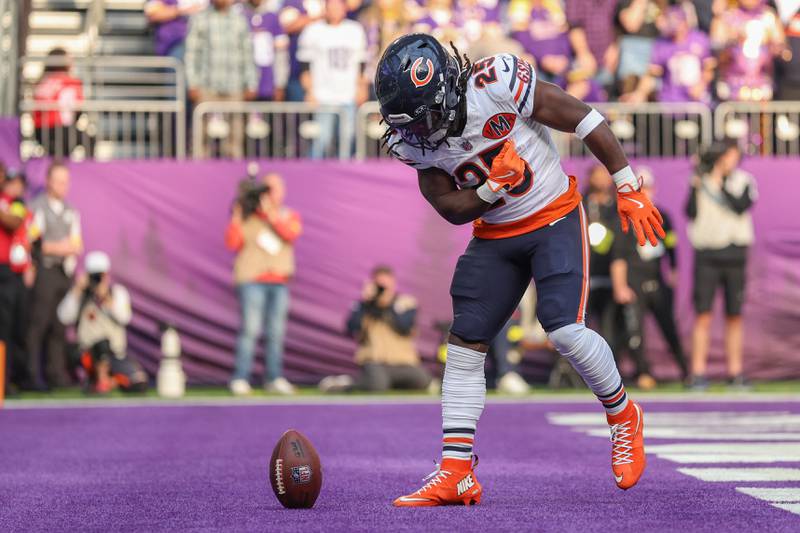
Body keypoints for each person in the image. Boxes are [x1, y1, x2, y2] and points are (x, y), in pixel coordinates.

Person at [376, 33, 665, 506]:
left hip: (554, 215)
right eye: (409, 121)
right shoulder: (415, 145)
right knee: (465, 344)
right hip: (495, 234)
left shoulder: (496, 82)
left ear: (447, 89)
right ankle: (456, 472)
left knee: (565, 330)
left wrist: (626, 182)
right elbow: (449, 206)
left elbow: (582, 116)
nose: (420, 132)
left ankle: (623, 414)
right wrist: (492, 190)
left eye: (426, 116)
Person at [686, 141, 756, 390]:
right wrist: (699, 182)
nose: (729, 161)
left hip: (735, 252)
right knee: (703, 314)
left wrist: (719, 182)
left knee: (734, 315)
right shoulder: (700, 181)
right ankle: (697, 372)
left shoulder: (744, 180)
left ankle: (735, 372)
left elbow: (740, 206)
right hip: (707, 253)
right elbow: (690, 212)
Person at [225, 172, 302, 396]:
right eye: (266, 188)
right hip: (251, 279)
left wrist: (270, 213)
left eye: (275, 189)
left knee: (276, 332)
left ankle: (274, 377)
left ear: (282, 192)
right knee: (250, 329)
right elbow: (232, 243)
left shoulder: (289, 214)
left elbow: (290, 235)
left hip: (279, 281)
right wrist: (237, 216)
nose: (270, 193)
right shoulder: (247, 215)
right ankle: (240, 377)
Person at [610, 168, 688, 387]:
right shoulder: (624, 219)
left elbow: (670, 246)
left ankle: (686, 371)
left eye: (649, 188)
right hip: (634, 282)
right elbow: (619, 257)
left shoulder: (663, 216)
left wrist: (673, 272)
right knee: (635, 331)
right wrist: (620, 286)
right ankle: (642, 372)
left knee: (669, 327)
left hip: (657, 280)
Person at [321, 265, 433, 392]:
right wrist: (366, 304)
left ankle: (373, 381)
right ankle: (345, 385)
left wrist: (387, 304)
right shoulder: (363, 305)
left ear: (393, 283)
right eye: (380, 285)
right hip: (375, 362)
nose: (383, 289)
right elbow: (351, 328)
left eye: (386, 285)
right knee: (377, 385)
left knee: (422, 380)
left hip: (403, 363)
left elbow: (404, 327)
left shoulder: (406, 302)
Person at [57, 251, 146, 394]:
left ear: (107, 274)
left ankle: (107, 382)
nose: (97, 279)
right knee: (98, 345)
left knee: (139, 382)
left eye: (100, 275)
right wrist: (77, 290)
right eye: (93, 275)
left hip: (115, 356)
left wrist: (106, 298)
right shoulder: (80, 294)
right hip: (88, 356)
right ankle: (98, 379)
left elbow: (125, 318)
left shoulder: (117, 292)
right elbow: (63, 317)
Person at [27, 162, 83, 390]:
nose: (63, 186)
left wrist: (56, 246)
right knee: (38, 324)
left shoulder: (71, 211)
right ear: (48, 181)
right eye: (59, 181)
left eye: (66, 181)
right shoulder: (37, 207)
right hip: (45, 271)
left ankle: (56, 374)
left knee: (60, 326)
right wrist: (60, 247)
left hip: (64, 273)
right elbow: (35, 243)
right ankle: (31, 376)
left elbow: (77, 244)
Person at [185, 0, 258, 158]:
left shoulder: (239, 20)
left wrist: (250, 83)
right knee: (200, 137)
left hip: (234, 86)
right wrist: (192, 83)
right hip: (206, 85)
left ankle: (233, 175)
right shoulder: (200, 18)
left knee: (235, 138)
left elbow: (247, 53)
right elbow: (191, 54)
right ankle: (198, 173)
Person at [297, 0, 369, 158]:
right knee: (322, 140)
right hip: (323, 95)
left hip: (347, 94)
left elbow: (361, 64)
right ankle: (312, 175)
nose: (335, 9)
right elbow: (304, 66)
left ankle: (342, 179)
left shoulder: (355, 30)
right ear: (326, 8)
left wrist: (361, 88)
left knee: (346, 140)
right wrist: (309, 91)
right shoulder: (312, 30)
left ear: (344, 8)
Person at [622, 3, 715, 103]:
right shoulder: (662, 44)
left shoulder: (699, 39)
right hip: (671, 103)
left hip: (696, 103)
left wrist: (701, 84)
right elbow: (652, 74)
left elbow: (709, 68)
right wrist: (640, 93)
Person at [711, 0, 785, 101]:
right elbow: (716, 44)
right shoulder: (729, 15)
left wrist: (773, 45)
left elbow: (781, 47)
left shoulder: (769, 17)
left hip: (761, 86)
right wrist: (732, 37)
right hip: (732, 86)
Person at [0, 169, 32, 393]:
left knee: (10, 327)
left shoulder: (16, 202)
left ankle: (8, 379)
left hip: (8, 272)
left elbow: (15, 221)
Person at [33, 48, 84, 158]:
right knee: (87, 139)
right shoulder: (71, 82)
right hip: (61, 130)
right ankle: (89, 170)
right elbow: (78, 109)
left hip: (40, 131)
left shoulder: (40, 82)